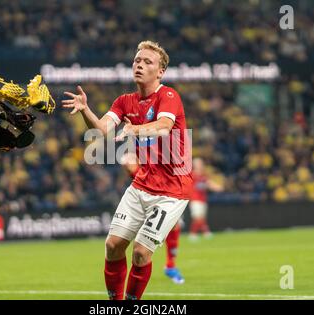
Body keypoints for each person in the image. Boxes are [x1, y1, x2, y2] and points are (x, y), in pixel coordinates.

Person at [62, 40, 193, 300]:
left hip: (172, 191)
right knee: (112, 246)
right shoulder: (124, 101)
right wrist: (86, 109)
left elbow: (164, 126)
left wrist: (135, 129)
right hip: (142, 184)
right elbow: (102, 130)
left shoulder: (168, 96)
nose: (140, 65)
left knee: (141, 252)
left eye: (148, 62)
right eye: (137, 60)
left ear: (160, 72)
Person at [120, 153, 185, 285]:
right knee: (133, 244)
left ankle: (170, 266)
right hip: (146, 196)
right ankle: (167, 266)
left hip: (164, 192)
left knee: (174, 225)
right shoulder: (135, 155)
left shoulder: (155, 148)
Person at [189, 158, 224, 240]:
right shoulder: (192, 175)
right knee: (197, 217)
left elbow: (208, 183)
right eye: (199, 163)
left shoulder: (203, 175)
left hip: (203, 199)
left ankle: (198, 233)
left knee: (202, 217)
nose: (200, 165)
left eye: (201, 163)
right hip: (195, 199)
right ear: (195, 165)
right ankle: (197, 233)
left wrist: (218, 188)